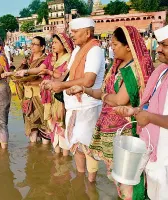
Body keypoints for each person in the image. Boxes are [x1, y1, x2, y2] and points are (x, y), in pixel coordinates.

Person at [68, 26, 154, 198]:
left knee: (128, 180)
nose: (111, 47)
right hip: (113, 133)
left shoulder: (134, 69)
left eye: (115, 44)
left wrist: (105, 96)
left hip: (128, 134)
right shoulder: (118, 66)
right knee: (117, 177)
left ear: (128, 45)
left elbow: (120, 100)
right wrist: (84, 89)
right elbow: (103, 93)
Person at [115, 23, 168, 200]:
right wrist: (136, 110)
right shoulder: (162, 71)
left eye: (165, 45)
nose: (158, 49)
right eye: (159, 44)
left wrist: (150, 117)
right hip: (155, 153)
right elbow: (154, 104)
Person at [41, 18, 105, 181]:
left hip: (88, 105)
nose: (72, 35)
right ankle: (80, 178)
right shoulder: (77, 50)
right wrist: (54, 83)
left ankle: (91, 183)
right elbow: (66, 74)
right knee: (75, 145)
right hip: (73, 105)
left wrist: (61, 87)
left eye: (75, 32)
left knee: (88, 146)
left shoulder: (95, 50)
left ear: (88, 33)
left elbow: (88, 80)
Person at [16, 33, 74, 156]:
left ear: (64, 44)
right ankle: (55, 158)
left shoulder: (69, 58)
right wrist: (25, 71)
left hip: (61, 97)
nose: (53, 45)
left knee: (61, 125)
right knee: (52, 125)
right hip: (47, 95)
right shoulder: (50, 58)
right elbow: (39, 70)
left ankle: (64, 157)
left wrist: (50, 72)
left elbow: (65, 77)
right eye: (52, 42)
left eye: (56, 43)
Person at [2, 36, 47, 143]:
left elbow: (45, 78)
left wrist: (29, 81)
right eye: (31, 44)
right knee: (31, 127)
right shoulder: (28, 61)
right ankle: (35, 153)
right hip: (27, 97)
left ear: (42, 47)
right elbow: (19, 74)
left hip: (39, 96)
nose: (32, 46)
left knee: (44, 128)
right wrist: (17, 70)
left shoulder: (45, 60)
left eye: (35, 44)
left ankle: (43, 153)